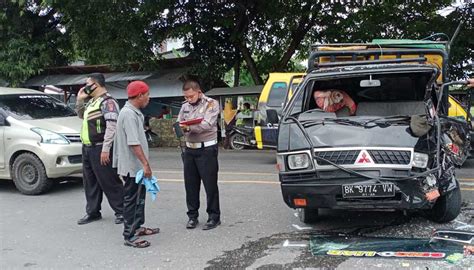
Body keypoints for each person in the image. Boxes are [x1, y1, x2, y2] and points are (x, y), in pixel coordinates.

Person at [113, 81, 159, 248]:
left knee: (139, 198)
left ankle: (138, 227)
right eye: (147, 94)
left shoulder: (134, 112)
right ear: (140, 95)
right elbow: (133, 143)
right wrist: (145, 165)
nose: (148, 98)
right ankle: (129, 235)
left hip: (137, 167)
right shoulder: (128, 114)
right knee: (132, 199)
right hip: (133, 167)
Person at [76, 73, 124, 225]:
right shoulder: (92, 102)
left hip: (100, 147)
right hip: (87, 148)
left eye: (87, 83)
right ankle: (93, 211)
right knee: (90, 182)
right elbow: (80, 115)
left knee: (109, 180)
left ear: (95, 85)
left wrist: (105, 148)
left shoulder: (108, 102)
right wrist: (79, 99)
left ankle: (122, 211)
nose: (85, 86)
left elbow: (112, 126)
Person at [177, 79, 221, 230]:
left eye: (191, 96)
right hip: (189, 149)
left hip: (206, 149)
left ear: (199, 92)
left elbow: (207, 124)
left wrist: (189, 127)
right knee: (190, 185)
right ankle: (192, 216)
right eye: (186, 97)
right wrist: (182, 127)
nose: (188, 99)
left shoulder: (211, 104)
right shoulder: (185, 106)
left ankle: (214, 217)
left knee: (210, 185)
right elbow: (179, 122)